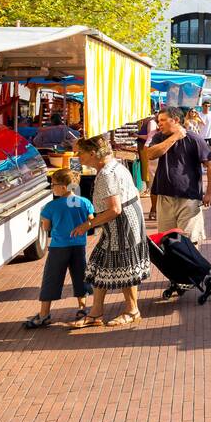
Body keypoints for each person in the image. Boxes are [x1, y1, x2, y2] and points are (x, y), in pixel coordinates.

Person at [69, 136, 150, 328]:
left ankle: (132, 311)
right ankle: (96, 312)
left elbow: (115, 209)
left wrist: (88, 225)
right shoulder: (114, 166)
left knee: (124, 267)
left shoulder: (107, 173)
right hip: (123, 222)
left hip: (121, 224)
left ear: (92, 153)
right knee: (99, 265)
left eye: (80, 152)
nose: (77, 156)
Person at [23, 168, 94, 328]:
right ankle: (83, 309)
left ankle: (44, 314)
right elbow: (91, 222)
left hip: (58, 247)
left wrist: (46, 221)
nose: (52, 187)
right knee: (80, 276)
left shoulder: (51, 206)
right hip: (78, 246)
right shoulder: (85, 203)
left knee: (51, 278)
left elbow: (46, 227)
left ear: (63, 187)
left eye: (53, 184)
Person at [145, 107, 211, 245]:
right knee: (167, 242)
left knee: (189, 242)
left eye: (163, 120)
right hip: (165, 197)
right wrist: (174, 137)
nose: (159, 123)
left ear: (176, 120)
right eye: (158, 120)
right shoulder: (158, 137)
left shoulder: (194, 139)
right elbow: (151, 154)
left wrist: (210, 193)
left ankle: (189, 267)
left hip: (189, 198)